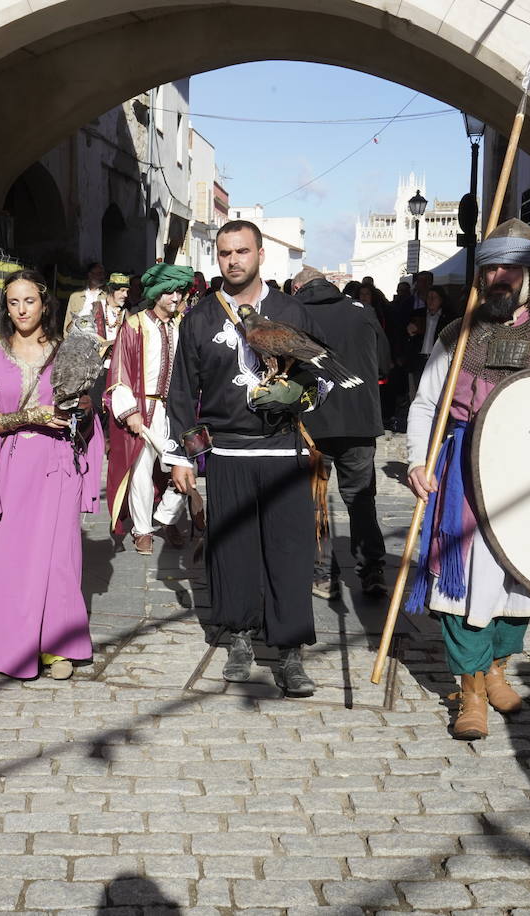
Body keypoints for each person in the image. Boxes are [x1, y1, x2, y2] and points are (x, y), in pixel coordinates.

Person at [406, 219, 530, 740]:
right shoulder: (457, 333)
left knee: (521, 574)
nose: (497, 277)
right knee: (463, 578)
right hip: (463, 470)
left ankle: (496, 668)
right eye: (489, 267)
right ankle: (469, 689)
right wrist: (417, 461)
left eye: (508, 268)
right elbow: (427, 403)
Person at [163, 220, 328, 698]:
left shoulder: (292, 311)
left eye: (242, 251)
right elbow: (180, 394)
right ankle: (238, 637)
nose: (233, 260)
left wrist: (298, 395)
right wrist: (182, 457)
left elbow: (325, 381)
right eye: (224, 253)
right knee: (232, 550)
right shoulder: (200, 318)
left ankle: (291, 649)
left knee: (290, 551)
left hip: (284, 451)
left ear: (260, 255)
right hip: (228, 452)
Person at [0, 270, 103, 679]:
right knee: (6, 557)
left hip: (57, 464)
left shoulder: (67, 351)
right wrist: (31, 415)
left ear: (44, 304)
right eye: (13, 302)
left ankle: (55, 649)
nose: (22, 309)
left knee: (59, 557)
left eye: (29, 301)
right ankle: (6, 645)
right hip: (12, 466)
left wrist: (82, 407)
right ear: (6, 308)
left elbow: (88, 409)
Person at [292, 265, 391, 600]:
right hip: (359, 421)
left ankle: (322, 576)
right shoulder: (362, 312)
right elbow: (384, 364)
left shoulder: (294, 314)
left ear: (298, 287)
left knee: (314, 500)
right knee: (361, 499)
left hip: (312, 423)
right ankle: (372, 569)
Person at [105, 263, 190, 554]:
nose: (175, 298)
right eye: (169, 293)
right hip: (143, 409)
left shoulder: (184, 325)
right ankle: (142, 530)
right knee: (141, 470)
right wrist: (130, 410)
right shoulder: (134, 324)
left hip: (177, 412)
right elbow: (120, 371)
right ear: (156, 294)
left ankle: (166, 516)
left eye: (179, 292)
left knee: (182, 465)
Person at [65, 262, 107, 330]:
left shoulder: (107, 296)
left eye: (103, 274)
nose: (102, 277)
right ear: (90, 275)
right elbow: (68, 320)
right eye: (99, 273)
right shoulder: (76, 296)